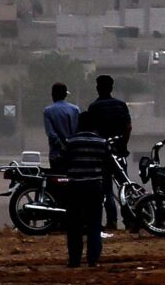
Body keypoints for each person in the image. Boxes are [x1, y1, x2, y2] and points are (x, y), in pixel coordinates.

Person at [54, 126, 117, 267]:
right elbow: (109, 164)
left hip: (75, 187)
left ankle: (74, 260)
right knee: (94, 224)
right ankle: (92, 259)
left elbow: (60, 161)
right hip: (95, 188)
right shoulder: (102, 142)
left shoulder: (71, 141)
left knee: (74, 225)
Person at [78, 75, 131, 232]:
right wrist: (123, 145)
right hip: (119, 153)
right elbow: (128, 127)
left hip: (102, 155)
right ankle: (129, 219)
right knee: (125, 187)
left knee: (106, 189)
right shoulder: (121, 105)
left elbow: (92, 131)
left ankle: (112, 221)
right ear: (111, 87)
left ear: (98, 88)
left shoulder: (94, 108)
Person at [43, 82, 80, 161]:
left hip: (56, 155)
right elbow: (79, 130)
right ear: (65, 95)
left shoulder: (48, 111)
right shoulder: (75, 109)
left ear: (52, 95)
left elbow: (51, 133)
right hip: (74, 153)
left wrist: (63, 146)